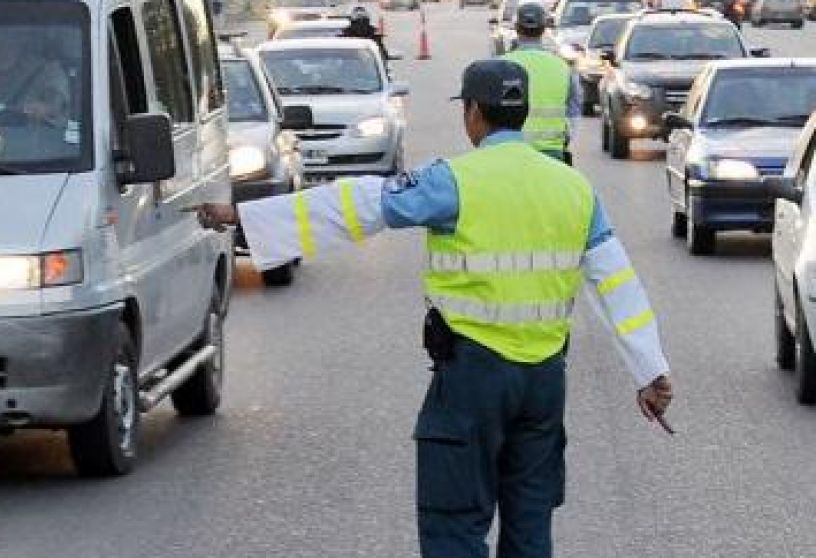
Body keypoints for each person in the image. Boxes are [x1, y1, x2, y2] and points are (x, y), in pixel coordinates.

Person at [191, 59, 674, 558]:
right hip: (545, 383)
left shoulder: (453, 181)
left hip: (473, 380)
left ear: (472, 114)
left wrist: (245, 218)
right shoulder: (575, 188)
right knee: (531, 528)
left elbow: (359, 205)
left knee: (454, 527)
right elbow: (619, 285)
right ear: (523, 113)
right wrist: (650, 369)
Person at [504, 2, 582, 164]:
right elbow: (574, 113)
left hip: (511, 155)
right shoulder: (562, 67)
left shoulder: (503, 65)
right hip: (552, 155)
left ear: (517, 28)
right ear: (544, 28)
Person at [0, 27, 70, 129]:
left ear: (22, 41)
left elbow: (55, 104)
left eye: (7, 39)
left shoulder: (47, 73)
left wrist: (45, 108)